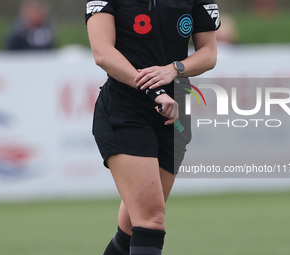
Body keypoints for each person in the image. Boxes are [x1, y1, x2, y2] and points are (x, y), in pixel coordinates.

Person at [85, 1, 220, 254]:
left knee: (130, 230)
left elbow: (209, 54)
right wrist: (153, 90)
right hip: (125, 111)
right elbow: (102, 52)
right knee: (152, 220)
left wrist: (175, 69)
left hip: (174, 113)